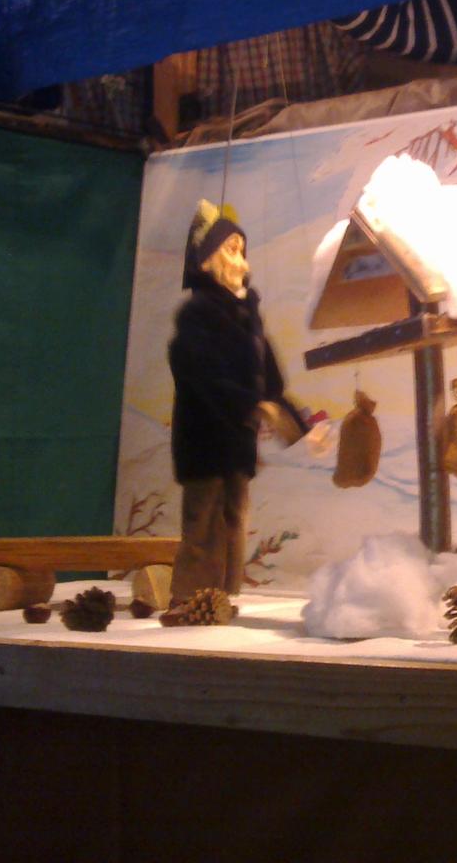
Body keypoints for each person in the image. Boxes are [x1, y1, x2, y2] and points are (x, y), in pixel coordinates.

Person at [165, 200, 306, 620]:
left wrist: (297, 422)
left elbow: (271, 380)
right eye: (229, 249)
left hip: (238, 442)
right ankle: (188, 600)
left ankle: (220, 600)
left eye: (241, 249)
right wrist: (251, 406)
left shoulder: (249, 315)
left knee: (233, 521)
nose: (239, 259)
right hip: (205, 438)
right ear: (206, 260)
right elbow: (199, 372)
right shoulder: (196, 315)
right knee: (203, 522)